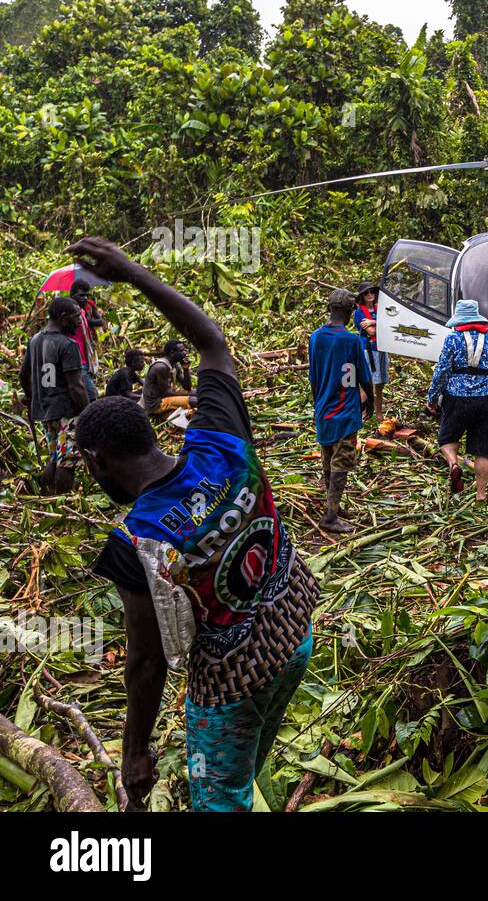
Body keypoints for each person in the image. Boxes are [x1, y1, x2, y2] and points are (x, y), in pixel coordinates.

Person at [66, 236, 319, 813]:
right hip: (294, 633)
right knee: (247, 760)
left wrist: (134, 751)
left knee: (219, 800)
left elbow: (146, 661)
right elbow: (210, 339)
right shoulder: (219, 442)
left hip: (232, 680)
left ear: (98, 462)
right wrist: (132, 274)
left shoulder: (137, 539)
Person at [425, 299, 488, 502]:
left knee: (447, 440)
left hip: (456, 398)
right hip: (487, 399)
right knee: (483, 451)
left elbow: (441, 371)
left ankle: (454, 464)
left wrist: (432, 396)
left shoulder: (452, 340)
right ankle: (481, 495)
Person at [309, 288, 373, 533]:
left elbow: (313, 376)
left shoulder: (316, 337)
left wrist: (319, 405)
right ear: (349, 313)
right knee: (341, 462)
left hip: (323, 407)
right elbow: (363, 376)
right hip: (345, 410)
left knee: (328, 457)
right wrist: (367, 402)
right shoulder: (352, 341)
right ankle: (330, 516)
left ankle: (331, 506)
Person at [19, 296, 91, 493]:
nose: (79, 321)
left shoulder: (35, 340)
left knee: (54, 458)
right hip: (66, 412)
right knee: (67, 462)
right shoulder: (68, 345)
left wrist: (30, 397)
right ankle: (61, 504)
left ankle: (47, 501)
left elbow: (23, 374)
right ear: (62, 317)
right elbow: (76, 387)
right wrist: (89, 414)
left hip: (45, 410)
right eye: (76, 317)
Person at [353, 282, 389, 421]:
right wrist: (380, 324)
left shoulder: (380, 309)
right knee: (367, 384)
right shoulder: (359, 312)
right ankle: (363, 415)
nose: (370, 295)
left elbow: (391, 325)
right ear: (362, 296)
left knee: (380, 385)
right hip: (369, 350)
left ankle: (379, 415)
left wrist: (374, 321)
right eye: (367, 293)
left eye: (372, 292)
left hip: (382, 349)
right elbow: (372, 332)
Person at [68, 278, 105, 400]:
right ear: (72, 296)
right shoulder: (68, 314)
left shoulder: (83, 310)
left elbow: (100, 321)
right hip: (76, 361)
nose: (84, 298)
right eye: (81, 295)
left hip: (86, 357)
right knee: (91, 395)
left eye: (86, 295)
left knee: (88, 395)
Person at [140, 339, 197, 415]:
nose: (185, 353)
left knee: (201, 392)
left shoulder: (175, 365)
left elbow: (187, 387)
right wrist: (189, 395)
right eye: (181, 351)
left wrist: (186, 369)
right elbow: (165, 393)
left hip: (164, 396)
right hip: (155, 404)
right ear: (172, 353)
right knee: (194, 400)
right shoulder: (161, 367)